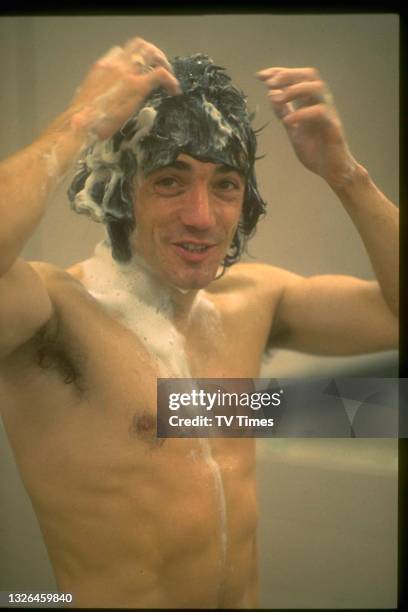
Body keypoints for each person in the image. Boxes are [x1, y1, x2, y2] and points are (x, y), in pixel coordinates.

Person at [0, 36, 398, 609]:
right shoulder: (54, 318)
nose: (202, 216)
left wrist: (346, 175)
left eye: (225, 186)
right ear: (122, 192)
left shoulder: (255, 302)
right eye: (169, 181)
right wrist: (81, 123)